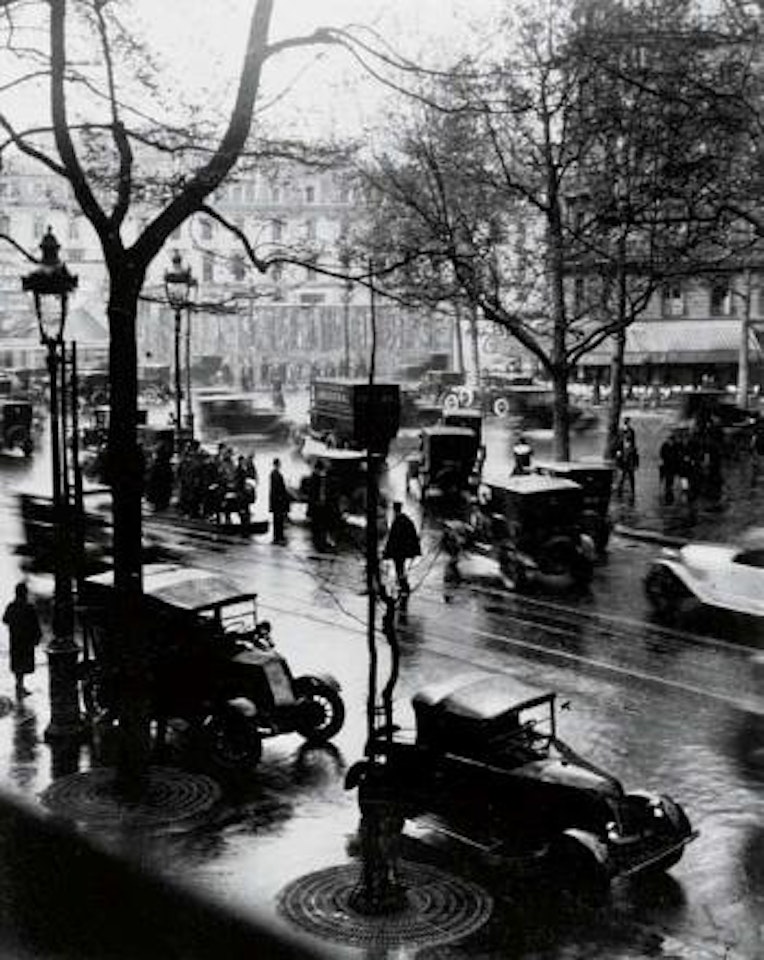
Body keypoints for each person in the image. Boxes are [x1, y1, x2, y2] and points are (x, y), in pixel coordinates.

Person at [3, 582, 41, 699]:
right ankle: (20, 686)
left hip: (15, 640)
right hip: (26, 641)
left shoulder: (11, 606)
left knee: (17, 663)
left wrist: (14, 625)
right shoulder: (29, 607)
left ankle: (19, 685)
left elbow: (5, 619)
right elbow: (35, 625)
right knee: (23, 663)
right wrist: (37, 637)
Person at [382, 502, 421, 597]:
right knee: (401, 568)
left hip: (398, 551)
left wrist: (387, 552)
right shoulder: (407, 520)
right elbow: (413, 535)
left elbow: (393, 538)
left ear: (395, 510)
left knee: (399, 568)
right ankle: (403, 586)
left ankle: (404, 586)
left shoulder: (397, 521)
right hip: (404, 550)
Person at [615, 418, 639, 503]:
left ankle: (631, 491)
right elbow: (618, 442)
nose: (628, 424)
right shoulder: (621, 431)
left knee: (630, 477)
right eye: (627, 422)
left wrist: (636, 464)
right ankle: (619, 491)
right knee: (622, 477)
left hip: (629, 462)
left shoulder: (631, 431)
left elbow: (634, 444)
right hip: (624, 461)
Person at [269, 457, 290, 545]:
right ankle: (278, 536)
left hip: (276, 500)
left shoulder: (274, 474)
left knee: (278, 519)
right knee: (278, 519)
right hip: (278, 501)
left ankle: (278, 536)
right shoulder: (275, 474)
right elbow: (277, 489)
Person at [658, 431, 680, 505]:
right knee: (667, 479)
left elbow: (677, 455)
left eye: (671, 440)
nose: (670, 441)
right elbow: (661, 454)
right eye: (670, 440)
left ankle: (669, 492)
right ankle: (668, 492)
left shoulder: (676, 446)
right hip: (666, 466)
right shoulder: (665, 445)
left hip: (673, 466)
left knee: (671, 479)